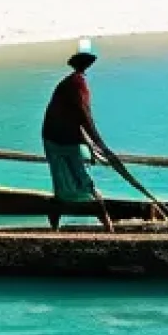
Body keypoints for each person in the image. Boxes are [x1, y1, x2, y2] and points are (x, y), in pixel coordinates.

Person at [42, 39, 112, 225]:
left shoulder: (71, 83)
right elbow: (84, 116)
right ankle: (108, 227)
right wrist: (100, 144)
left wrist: (92, 144)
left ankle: (55, 227)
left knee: (61, 185)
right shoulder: (78, 84)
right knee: (85, 184)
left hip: (55, 138)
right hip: (58, 139)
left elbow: (77, 119)